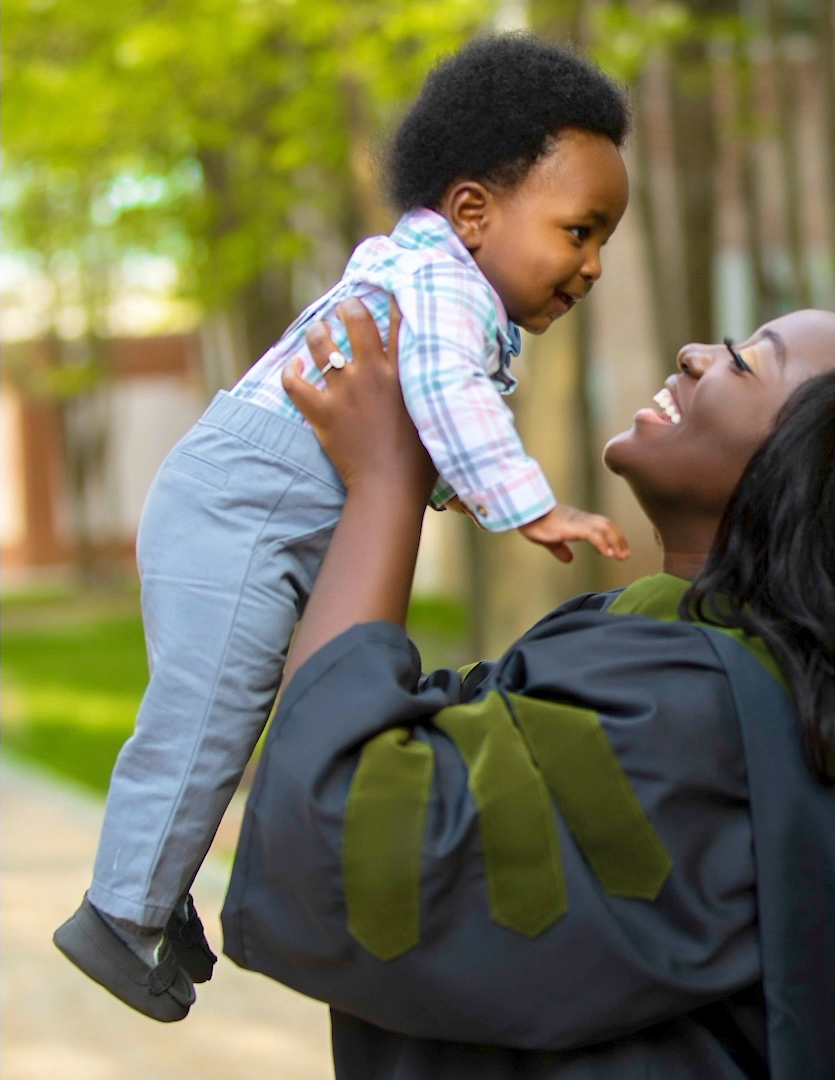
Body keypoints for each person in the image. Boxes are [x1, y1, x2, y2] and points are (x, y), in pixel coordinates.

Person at [221, 295, 835, 1077]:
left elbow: (334, 827)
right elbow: (385, 730)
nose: (694, 355)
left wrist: (387, 481)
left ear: (797, 475)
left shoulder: (689, 716)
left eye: (744, 362)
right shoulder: (719, 683)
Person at [54, 33, 633, 1022]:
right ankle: (118, 915)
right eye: (577, 231)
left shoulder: (434, 270)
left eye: (602, 243)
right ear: (471, 211)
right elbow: (448, 397)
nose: (588, 266)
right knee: (205, 713)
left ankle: (157, 890)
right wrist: (530, 503)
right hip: (242, 501)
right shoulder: (444, 287)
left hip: (255, 504)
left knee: (235, 714)